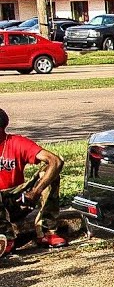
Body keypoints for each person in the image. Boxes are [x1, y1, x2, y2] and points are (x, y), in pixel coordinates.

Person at [0, 108, 66, 258]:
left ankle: (47, 231)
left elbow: (55, 161)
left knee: (50, 173)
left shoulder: (16, 142)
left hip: (16, 200)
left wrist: (36, 191)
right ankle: (5, 238)